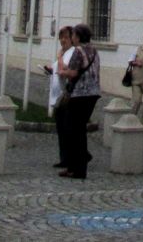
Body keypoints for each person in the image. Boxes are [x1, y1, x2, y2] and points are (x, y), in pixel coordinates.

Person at [58, 24, 101, 179]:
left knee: (73, 130)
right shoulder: (94, 51)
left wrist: (62, 71)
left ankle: (77, 167)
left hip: (79, 94)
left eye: (74, 35)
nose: (72, 37)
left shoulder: (78, 51)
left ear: (78, 36)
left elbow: (73, 72)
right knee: (79, 129)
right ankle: (78, 166)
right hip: (93, 93)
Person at [45, 25, 75, 169]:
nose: (63, 40)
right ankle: (64, 158)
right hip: (57, 95)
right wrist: (51, 69)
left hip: (66, 96)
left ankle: (71, 158)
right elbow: (57, 69)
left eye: (66, 37)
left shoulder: (71, 53)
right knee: (61, 129)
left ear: (72, 39)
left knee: (66, 129)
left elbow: (65, 70)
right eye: (61, 37)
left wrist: (59, 58)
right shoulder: (63, 53)